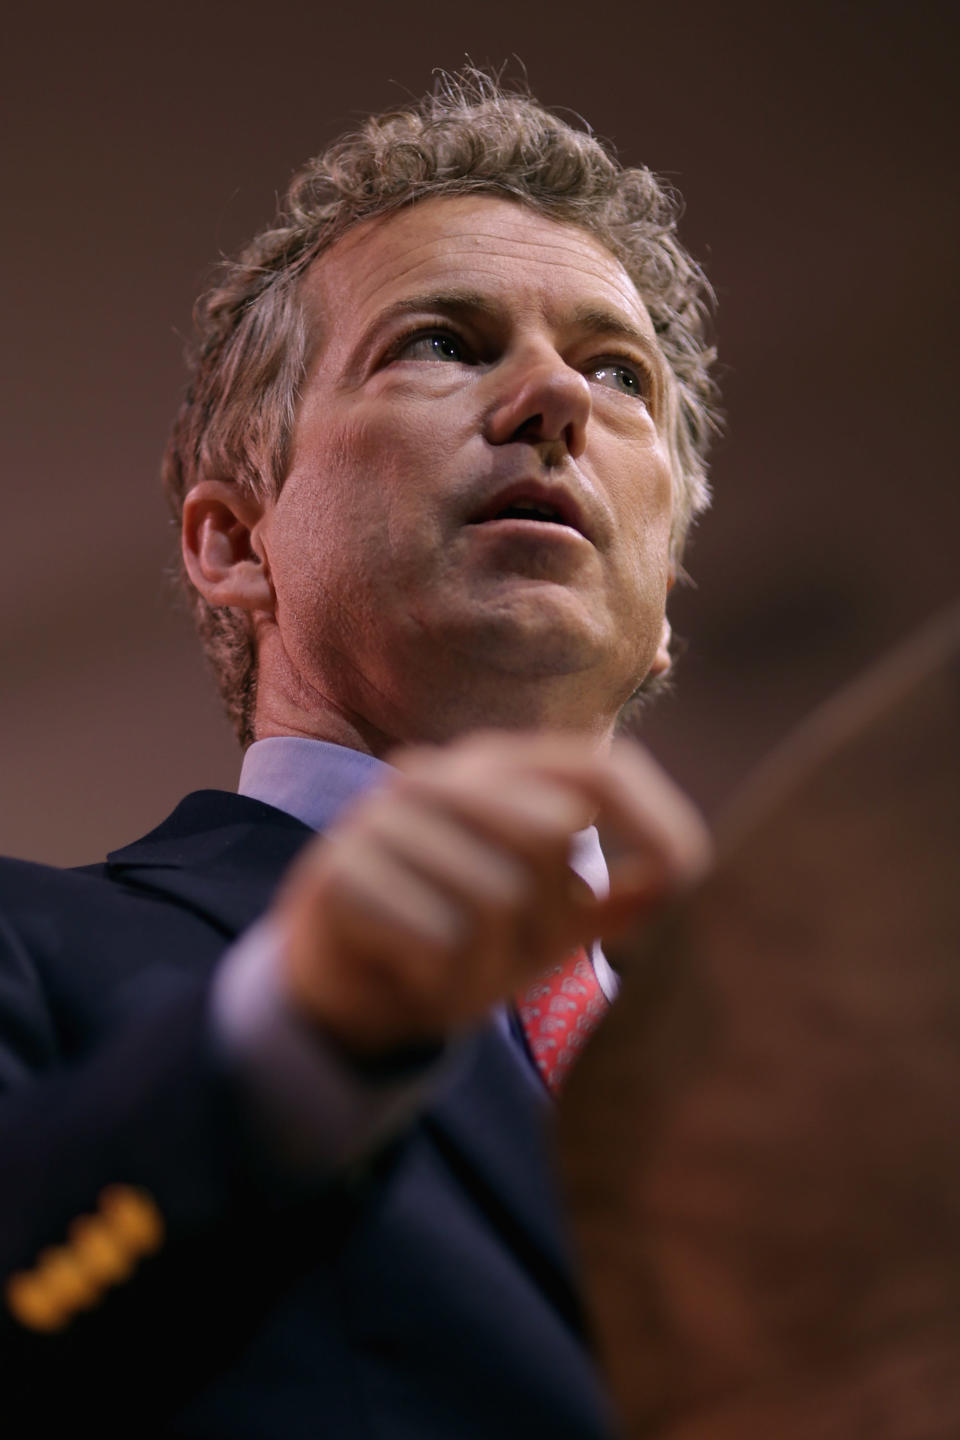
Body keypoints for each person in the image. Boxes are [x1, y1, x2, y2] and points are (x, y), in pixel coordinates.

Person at [0, 72, 718, 1436]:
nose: (554, 396)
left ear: (669, 601)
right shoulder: (31, 950)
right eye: (442, 341)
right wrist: (293, 1054)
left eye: (617, 371)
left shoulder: (815, 1091)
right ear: (232, 540)